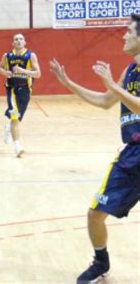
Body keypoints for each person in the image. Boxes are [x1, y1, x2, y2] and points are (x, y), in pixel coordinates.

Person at [49, 14, 140, 284]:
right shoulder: (130, 71)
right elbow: (105, 101)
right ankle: (101, 263)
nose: (124, 36)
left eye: (129, 31)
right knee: (94, 214)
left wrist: (113, 85)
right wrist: (69, 85)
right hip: (132, 156)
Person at [0, 33, 41, 157]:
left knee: (17, 117)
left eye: (21, 39)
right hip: (11, 89)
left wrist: (23, 71)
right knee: (15, 116)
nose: (18, 41)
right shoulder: (7, 56)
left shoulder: (30, 56)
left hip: (26, 90)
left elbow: (38, 74)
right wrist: (5, 72)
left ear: (24, 42)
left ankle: (8, 127)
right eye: (16, 39)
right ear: (12, 43)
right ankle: (17, 147)